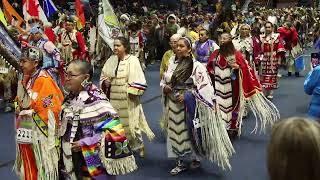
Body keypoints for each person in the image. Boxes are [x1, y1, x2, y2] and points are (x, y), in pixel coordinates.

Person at [161, 37, 234, 175]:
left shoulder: (197, 66)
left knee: (191, 130)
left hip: (190, 105)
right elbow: (164, 80)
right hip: (173, 102)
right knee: (175, 132)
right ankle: (180, 161)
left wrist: (189, 95)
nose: (178, 48)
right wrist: (165, 87)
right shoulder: (171, 63)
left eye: (182, 46)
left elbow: (206, 88)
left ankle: (195, 157)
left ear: (189, 49)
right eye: (177, 46)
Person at [60, 60, 137, 180]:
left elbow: (112, 133)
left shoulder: (97, 100)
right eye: (66, 74)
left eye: (72, 75)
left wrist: (84, 143)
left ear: (86, 77)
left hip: (92, 161)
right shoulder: (70, 98)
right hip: (71, 160)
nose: (67, 78)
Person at [207, 33, 280, 138]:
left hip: (232, 86)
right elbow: (209, 66)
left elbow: (244, 67)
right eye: (221, 39)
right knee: (219, 106)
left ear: (230, 40)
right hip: (218, 86)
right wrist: (212, 71)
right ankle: (222, 128)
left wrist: (237, 67)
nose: (222, 41)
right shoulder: (216, 53)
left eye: (225, 39)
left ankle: (232, 127)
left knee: (233, 107)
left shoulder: (236, 54)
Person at [14, 47, 64, 180]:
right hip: (27, 127)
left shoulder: (44, 80)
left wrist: (27, 112)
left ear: (35, 63)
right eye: (20, 61)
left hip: (39, 133)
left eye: (24, 61)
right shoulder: (27, 78)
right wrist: (19, 108)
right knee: (30, 161)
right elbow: (19, 100)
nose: (21, 64)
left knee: (41, 164)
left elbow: (52, 110)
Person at [100, 37, 155, 158]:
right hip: (113, 98)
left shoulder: (133, 60)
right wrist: (105, 82)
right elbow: (103, 76)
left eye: (118, 45)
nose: (115, 48)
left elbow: (139, 79)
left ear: (125, 47)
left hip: (129, 99)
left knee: (133, 125)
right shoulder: (111, 60)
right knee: (116, 124)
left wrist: (130, 90)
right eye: (114, 45)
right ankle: (120, 147)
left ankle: (139, 145)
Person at [28, 19, 63, 85]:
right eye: (33, 33)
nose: (35, 35)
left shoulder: (46, 43)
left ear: (41, 34)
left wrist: (56, 66)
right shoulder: (31, 44)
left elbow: (57, 53)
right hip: (36, 70)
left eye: (37, 33)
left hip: (48, 70)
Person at [259, 22, 285, 99]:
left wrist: (279, 60)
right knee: (263, 75)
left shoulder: (277, 36)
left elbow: (280, 49)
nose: (268, 29)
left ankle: (270, 92)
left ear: (272, 28)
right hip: (264, 58)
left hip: (273, 58)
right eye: (266, 27)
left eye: (269, 27)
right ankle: (264, 91)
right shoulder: (261, 37)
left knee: (272, 75)